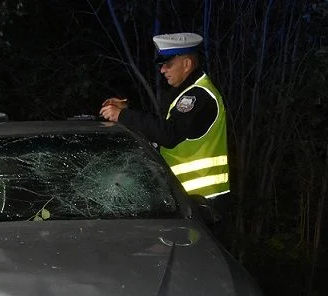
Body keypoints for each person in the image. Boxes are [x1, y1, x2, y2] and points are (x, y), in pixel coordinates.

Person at [99, 32, 230, 203]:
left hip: (202, 200)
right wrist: (127, 109)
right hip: (188, 197)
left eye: (168, 64)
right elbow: (162, 124)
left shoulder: (199, 95)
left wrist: (123, 115)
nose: (162, 70)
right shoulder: (186, 90)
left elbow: (169, 134)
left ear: (187, 64)